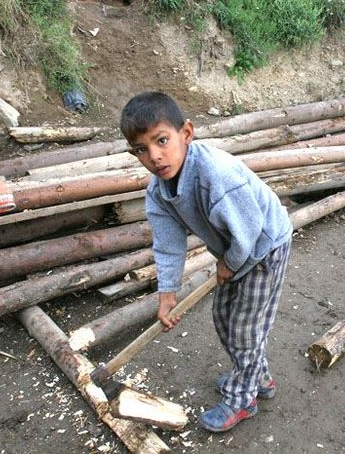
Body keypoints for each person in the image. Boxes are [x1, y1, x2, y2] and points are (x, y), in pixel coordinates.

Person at [120, 91, 293, 432]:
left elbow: (248, 231)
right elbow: (168, 246)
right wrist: (166, 293)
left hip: (263, 246)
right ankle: (258, 376)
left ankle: (243, 399)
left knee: (245, 330)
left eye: (162, 140)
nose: (155, 156)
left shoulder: (216, 174)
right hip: (236, 249)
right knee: (224, 318)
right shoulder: (158, 191)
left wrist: (227, 263)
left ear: (187, 133)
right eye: (142, 149)